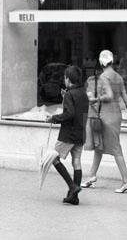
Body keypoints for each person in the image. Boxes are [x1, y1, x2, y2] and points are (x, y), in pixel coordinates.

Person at [81, 49, 127, 193]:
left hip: (106, 116)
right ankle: (92, 176)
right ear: (112, 61)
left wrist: (95, 99)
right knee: (99, 147)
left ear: (101, 62)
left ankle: (126, 180)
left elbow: (109, 95)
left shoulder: (103, 77)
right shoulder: (118, 77)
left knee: (115, 149)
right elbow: (126, 99)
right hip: (116, 114)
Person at [45, 65, 89, 205]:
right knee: (76, 162)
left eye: (65, 77)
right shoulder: (83, 93)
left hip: (68, 133)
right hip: (80, 133)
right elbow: (78, 110)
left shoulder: (70, 94)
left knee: (53, 158)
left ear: (68, 79)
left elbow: (69, 114)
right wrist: (66, 97)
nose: (64, 80)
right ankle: (74, 197)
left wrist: (54, 118)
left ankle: (72, 186)